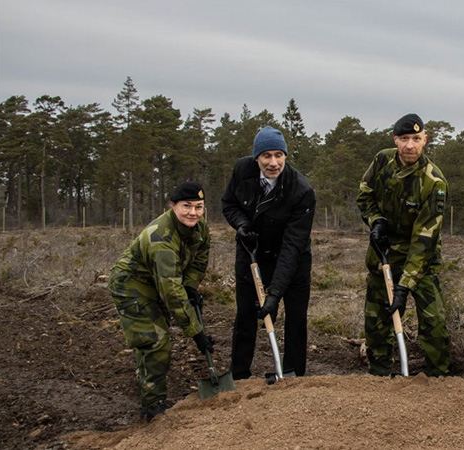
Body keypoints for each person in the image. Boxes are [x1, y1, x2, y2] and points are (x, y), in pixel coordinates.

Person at [108, 181, 213, 421]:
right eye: (187, 206)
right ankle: (152, 406)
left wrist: (190, 285)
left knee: (154, 339)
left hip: (158, 283)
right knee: (155, 340)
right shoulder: (161, 239)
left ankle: (147, 382)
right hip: (132, 286)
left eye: (199, 207)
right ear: (173, 206)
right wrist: (196, 332)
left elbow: (200, 258)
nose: (193, 213)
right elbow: (171, 292)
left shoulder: (199, 227)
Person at [357, 113, 452, 377]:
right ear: (395, 140)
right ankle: (380, 372)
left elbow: (424, 240)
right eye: (404, 139)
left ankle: (439, 376)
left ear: (425, 140)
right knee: (376, 318)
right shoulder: (382, 160)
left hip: (421, 257)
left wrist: (403, 286)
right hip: (384, 250)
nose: (410, 145)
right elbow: (365, 195)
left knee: (434, 321)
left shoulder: (434, 183)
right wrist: (376, 222)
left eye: (416, 139)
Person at [222, 125, 315, 380]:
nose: (273, 162)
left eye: (278, 155)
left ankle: (292, 373)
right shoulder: (242, 171)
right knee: (246, 314)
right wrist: (241, 224)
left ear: (286, 156)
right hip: (252, 253)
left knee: (295, 316)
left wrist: (274, 293)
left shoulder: (301, 190)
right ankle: (239, 375)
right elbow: (228, 204)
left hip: (292, 259)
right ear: (257, 158)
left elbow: (293, 245)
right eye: (267, 156)